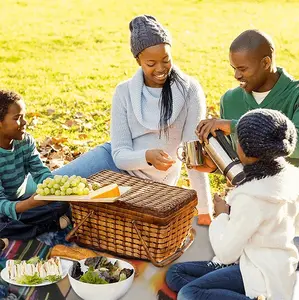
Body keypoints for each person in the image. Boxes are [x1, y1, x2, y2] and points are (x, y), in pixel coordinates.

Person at [51, 15, 212, 224]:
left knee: (85, 215)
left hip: (150, 185)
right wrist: (146, 156)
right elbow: (119, 155)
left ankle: (60, 218)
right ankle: (13, 217)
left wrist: (205, 210)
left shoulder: (190, 90)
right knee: (50, 189)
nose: (161, 68)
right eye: (151, 63)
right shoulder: (124, 92)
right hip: (112, 163)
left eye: (166, 59)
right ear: (138, 61)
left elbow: (193, 156)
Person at [166, 108, 299, 300]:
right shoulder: (292, 177)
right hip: (273, 265)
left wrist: (222, 215)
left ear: (244, 150)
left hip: (259, 274)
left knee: (189, 293)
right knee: (175, 274)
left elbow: (226, 252)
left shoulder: (251, 197)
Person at [195, 29, 299, 172]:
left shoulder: (296, 95)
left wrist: (235, 127)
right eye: (234, 68)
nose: (236, 75)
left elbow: (296, 143)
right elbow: (238, 162)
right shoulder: (230, 100)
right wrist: (214, 166)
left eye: (242, 69)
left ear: (266, 63)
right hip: (249, 190)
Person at [0, 90, 70, 240]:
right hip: (5, 207)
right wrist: (30, 204)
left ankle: (18, 232)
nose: (25, 122)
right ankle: (50, 224)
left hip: (20, 201)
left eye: (24, 116)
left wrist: (52, 189)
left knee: (64, 203)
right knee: (3, 224)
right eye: (18, 118)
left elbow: (40, 172)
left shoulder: (25, 141)